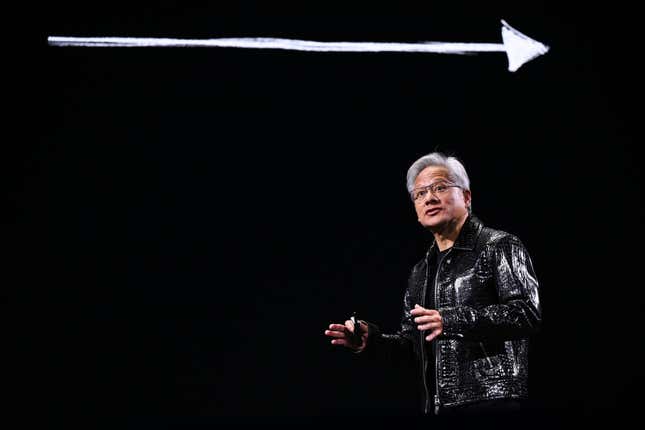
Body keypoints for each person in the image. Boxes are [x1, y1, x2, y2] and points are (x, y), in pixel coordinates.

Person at [324, 152, 541, 416]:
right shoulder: (420, 271)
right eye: (420, 193)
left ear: (467, 197)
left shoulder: (499, 245)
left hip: (493, 403)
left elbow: (526, 313)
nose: (430, 198)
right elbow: (413, 345)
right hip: (437, 409)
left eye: (439, 187)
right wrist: (373, 341)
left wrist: (450, 321)